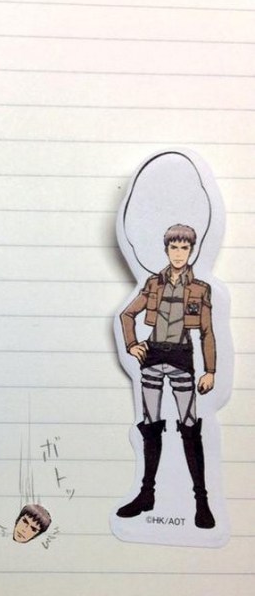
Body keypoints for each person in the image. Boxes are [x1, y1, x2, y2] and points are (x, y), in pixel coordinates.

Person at [117, 224, 216, 528]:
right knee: (150, 426)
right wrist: (131, 344)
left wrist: (210, 370)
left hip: (182, 357)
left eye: (184, 248)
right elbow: (126, 314)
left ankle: (202, 502)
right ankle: (146, 495)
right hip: (152, 356)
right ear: (166, 249)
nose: (179, 253)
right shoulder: (152, 283)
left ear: (192, 250)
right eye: (174, 247)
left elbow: (207, 332)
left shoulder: (200, 288)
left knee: (190, 427)